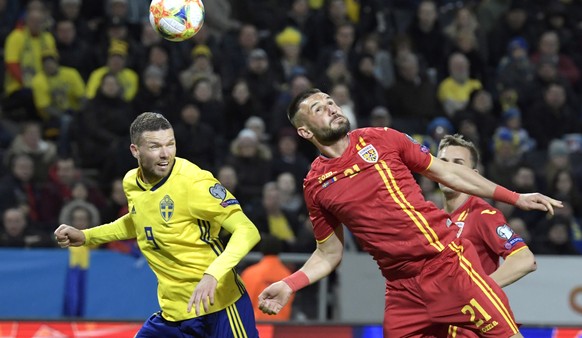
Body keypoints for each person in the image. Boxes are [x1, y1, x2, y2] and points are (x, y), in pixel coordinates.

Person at [257, 88, 562, 337]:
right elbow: (328, 254)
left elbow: (447, 173)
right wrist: (289, 283)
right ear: (304, 131)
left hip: (447, 268)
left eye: (331, 102)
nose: (332, 108)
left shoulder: (382, 138)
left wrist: (514, 197)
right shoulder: (316, 185)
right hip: (401, 291)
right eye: (319, 109)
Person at [54, 112, 261, 337]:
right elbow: (140, 220)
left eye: (170, 144)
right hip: (173, 315)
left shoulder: (196, 183)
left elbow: (247, 230)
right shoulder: (131, 182)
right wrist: (86, 236)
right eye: (154, 147)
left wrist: (213, 274)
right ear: (135, 151)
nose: (165, 154)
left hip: (219, 309)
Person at [437, 134, 538, 338]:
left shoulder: (481, 214)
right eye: (443, 162)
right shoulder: (431, 219)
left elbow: (525, 260)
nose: (448, 169)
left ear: (473, 174)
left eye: (458, 163)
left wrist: (478, 290)